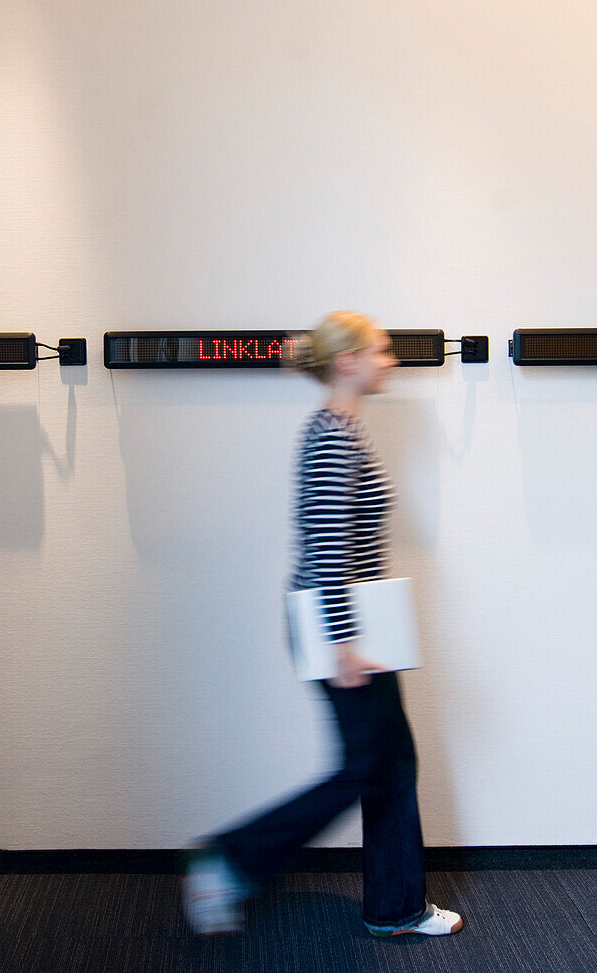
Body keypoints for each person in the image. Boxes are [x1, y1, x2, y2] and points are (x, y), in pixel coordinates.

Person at [183, 311, 462, 938]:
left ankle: (395, 907)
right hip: (341, 624)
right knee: (365, 766)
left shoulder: (340, 428)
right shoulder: (334, 434)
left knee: (389, 763)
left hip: (357, 621)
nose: (390, 362)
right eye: (381, 352)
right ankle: (229, 862)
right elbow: (329, 545)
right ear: (348, 362)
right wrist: (343, 642)